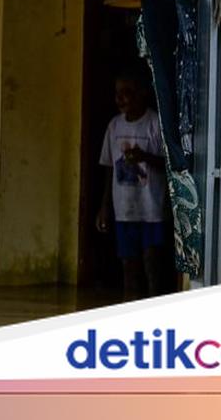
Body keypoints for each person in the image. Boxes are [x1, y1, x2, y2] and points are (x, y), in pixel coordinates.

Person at [95, 69, 170, 300]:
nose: (121, 98)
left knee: (152, 265)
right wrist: (105, 206)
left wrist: (144, 157)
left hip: (151, 209)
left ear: (142, 93)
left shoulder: (155, 123)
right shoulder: (114, 126)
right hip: (124, 209)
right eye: (118, 93)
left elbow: (169, 164)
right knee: (129, 266)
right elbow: (108, 166)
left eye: (128, 92)